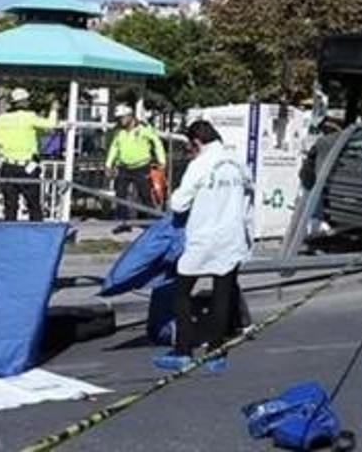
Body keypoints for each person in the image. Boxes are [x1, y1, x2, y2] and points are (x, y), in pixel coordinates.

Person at [154, 120, 252, 371]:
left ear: (196, 142)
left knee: (181, 293)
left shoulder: (200, 165)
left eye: (190, 147)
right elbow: (249, 193)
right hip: (232, 237)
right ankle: (215, 352)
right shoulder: (237, 161)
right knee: (223, 294)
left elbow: (178, 204)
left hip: (203, 237)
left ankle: (183, 349)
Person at [0, 88, 58, 221]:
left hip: (7, 166)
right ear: (25, 102)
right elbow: (51, 125)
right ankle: (36, 233)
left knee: (10, 205)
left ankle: (10, 234)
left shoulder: (1, 119)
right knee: (33, 204)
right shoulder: (30, 117)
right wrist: (54, 109)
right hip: (28, 167)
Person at [106, 104, 168, 235]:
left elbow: (156, 143)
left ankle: (151, 223)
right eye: (118, 118)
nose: (120, 120)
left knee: (145, 195)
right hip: (124, 167)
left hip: (142, 167)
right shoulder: (119, 131)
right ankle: (124, 224)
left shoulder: (144, 128)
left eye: (122, 118)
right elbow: (114, 147)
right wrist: (108, 164)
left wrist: (161, 161)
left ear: (130, 116)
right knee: (120, 195)